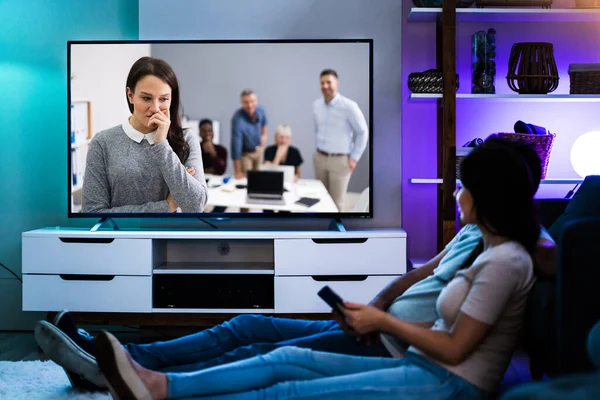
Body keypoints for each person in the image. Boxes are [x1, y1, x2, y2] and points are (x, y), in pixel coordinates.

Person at [36, 138, 550, 399]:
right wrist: (373, 309)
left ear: (487, 197)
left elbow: (458, 346)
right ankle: (128, 365)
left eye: (464, 186)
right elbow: (422, 279)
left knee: (276, 361)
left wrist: (382, 323)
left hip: (421, 359)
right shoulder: (475, 236)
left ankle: (140, 376)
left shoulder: (507, 257)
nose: (456, 193)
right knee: (254, 332)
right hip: (396, 338)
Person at [81, 57, 207, 213]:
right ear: (130, 95)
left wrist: (161, 144)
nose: (155, 108)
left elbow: (196, 206)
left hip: (172, 236)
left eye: (163, 99)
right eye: (146, 98)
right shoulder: (103, 143)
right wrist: (165, 206)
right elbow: (92, 213)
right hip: (124, 238)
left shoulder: (186, 139)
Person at [313, 69, 368, 211]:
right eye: (322, 83)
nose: (325, 86)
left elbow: (363, 132)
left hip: (340, 161)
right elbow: (317, 130)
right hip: (320, 158)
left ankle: (336, 233)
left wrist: (354, 158)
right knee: (319, 199)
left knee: (336, 203)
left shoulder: (349, 106)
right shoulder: (317, 105)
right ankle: (320, 232)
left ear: (336, 83)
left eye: (328, 82)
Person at [231, 89, 268, 180]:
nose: (250, 105)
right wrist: (238, 171)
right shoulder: (237, 119)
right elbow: (236, 147)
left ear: (256, 100)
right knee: (248, 180)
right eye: (246, 102)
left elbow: (264, 127)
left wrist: (263, 137)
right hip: (246, 154)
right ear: (242, 103)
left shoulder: (261, 110)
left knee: (260, 180)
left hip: (259, 150)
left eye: (252, 101)